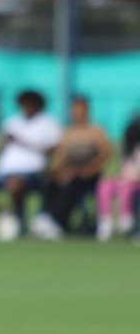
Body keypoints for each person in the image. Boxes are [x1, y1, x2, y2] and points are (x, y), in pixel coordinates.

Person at [0, 89, 62, 241]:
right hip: (5, 169)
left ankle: (18, 217)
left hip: (32, 171)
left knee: (14, 184)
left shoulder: (49, 124)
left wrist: (23, 142)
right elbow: (0, 152)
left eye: (29, 104)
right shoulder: (12, 122)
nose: (25, 107)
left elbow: (53, 150)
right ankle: (5, 214)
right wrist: (4, 144)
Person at [31, 96, 112, 241]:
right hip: (70, 172)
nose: (77, 114)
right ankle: (45, 216)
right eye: (75, 111)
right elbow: (61, 159)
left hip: (88, 174)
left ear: (87, 111)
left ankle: (55, 220)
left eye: (80, 111)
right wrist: (57, 171)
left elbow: (105, 156)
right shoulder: (67, 134)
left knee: (73, 184)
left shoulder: (96, 132)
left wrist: (88, 169)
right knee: (50, 181)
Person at [95, 113, 140, 241]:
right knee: (105, 185)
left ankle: (126, 218)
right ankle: (105, 220)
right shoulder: (125, 152)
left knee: (124, 187)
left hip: (134, 183)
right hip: (125, 180)